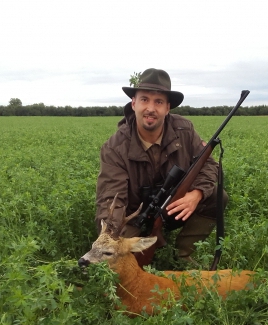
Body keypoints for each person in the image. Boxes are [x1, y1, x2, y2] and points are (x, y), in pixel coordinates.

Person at [95, 68, 227, 262]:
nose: (151, 108)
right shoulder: (115, 147)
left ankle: (183, 256)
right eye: (144, 99)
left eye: (158, 102)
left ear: (167, 108)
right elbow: (111, 200)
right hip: (134, 216)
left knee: (217, 197)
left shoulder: (185, 130)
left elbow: (208, 164)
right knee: (122, 260)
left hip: (174, 207)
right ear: (133, 104)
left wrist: (196, 193)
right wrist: (111, 239)